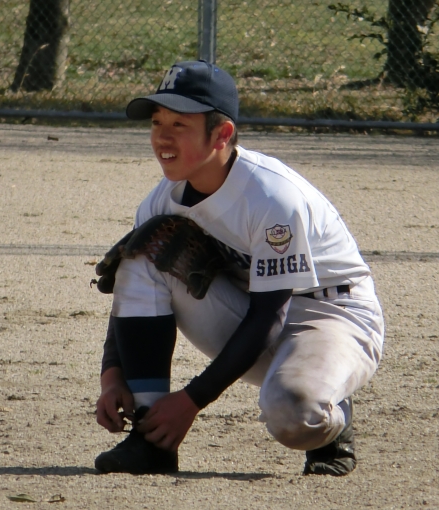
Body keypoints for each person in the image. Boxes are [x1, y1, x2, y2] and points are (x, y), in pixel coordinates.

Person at [94, 60, 385, 477]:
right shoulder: (161, 199)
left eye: (180, 124)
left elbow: (270, 315)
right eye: (157, 122)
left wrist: (192, 400)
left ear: (222, 134)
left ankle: (330, 413)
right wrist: (112, 374)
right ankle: (152, 440)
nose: (162, 136)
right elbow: (131, 286)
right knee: (143, 252)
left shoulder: (271, 197)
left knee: (294, 413)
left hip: (331, 314)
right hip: (249, 308)